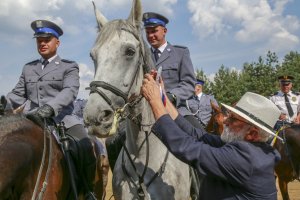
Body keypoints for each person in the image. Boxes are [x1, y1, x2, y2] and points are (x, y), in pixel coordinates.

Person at [141, 73, 282, 200]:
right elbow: (196, 134)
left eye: (233, 119)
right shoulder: (248, 147)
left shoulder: (245, 159)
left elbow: (185, 147)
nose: (225, 121)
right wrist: (162, 96)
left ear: (252, 133)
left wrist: (154, 102)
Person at [6, 20, 96, 198]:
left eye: (47, 39)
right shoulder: (28, 68)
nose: (42, 43)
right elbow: (17, 94)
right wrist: (4, 104)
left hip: (61, 120)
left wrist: (50, 108)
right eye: (39, 40)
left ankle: (87, 190)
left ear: (57, 42)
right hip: (31, 120)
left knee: (84, 143)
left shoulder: (69, 66)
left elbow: (69, 91)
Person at [142, 12, 196, 106]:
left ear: (164, 31)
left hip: (176, 109)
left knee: (190, 122)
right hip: (147, 109)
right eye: (147, 32)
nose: (150, 35)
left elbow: (189, 84)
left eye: (154, 31)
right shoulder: (142, 56)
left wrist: (172, 96)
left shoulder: (181, 53)